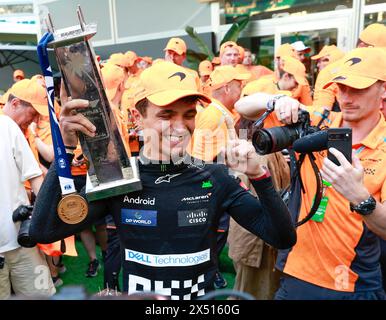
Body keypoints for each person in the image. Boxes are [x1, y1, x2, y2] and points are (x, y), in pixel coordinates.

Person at [30, 61, 296, 300]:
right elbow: (43, 231)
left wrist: (259, 177)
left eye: (189, 114)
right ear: (138, 118)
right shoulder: (118, 178)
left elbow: (282, 237)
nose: (180, 128)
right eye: (166, 115)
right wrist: (63, 148)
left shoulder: (214, 177)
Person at [236, 47, 386, 300]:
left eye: (358, 89)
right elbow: (243, 106)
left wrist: (361, 198)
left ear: (383, 89)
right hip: (296, 273)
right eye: (342, 88)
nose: (347, 97)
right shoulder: (317, 120)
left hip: (351, 284)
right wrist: (276, 101)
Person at [0, 79, 55, 299]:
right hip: (16, 240)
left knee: (41, 294)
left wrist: (42, 215)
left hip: (21, 239)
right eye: (32, 112)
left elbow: (35, 176)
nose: (34, 119)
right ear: (14, 104)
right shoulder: (8, 126)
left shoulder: (10, 127)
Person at [311, 45, 345, 110]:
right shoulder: (350, 76)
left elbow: (320, 112)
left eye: (323, 60)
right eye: (317, 62)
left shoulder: (326, 75)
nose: (317, 65)